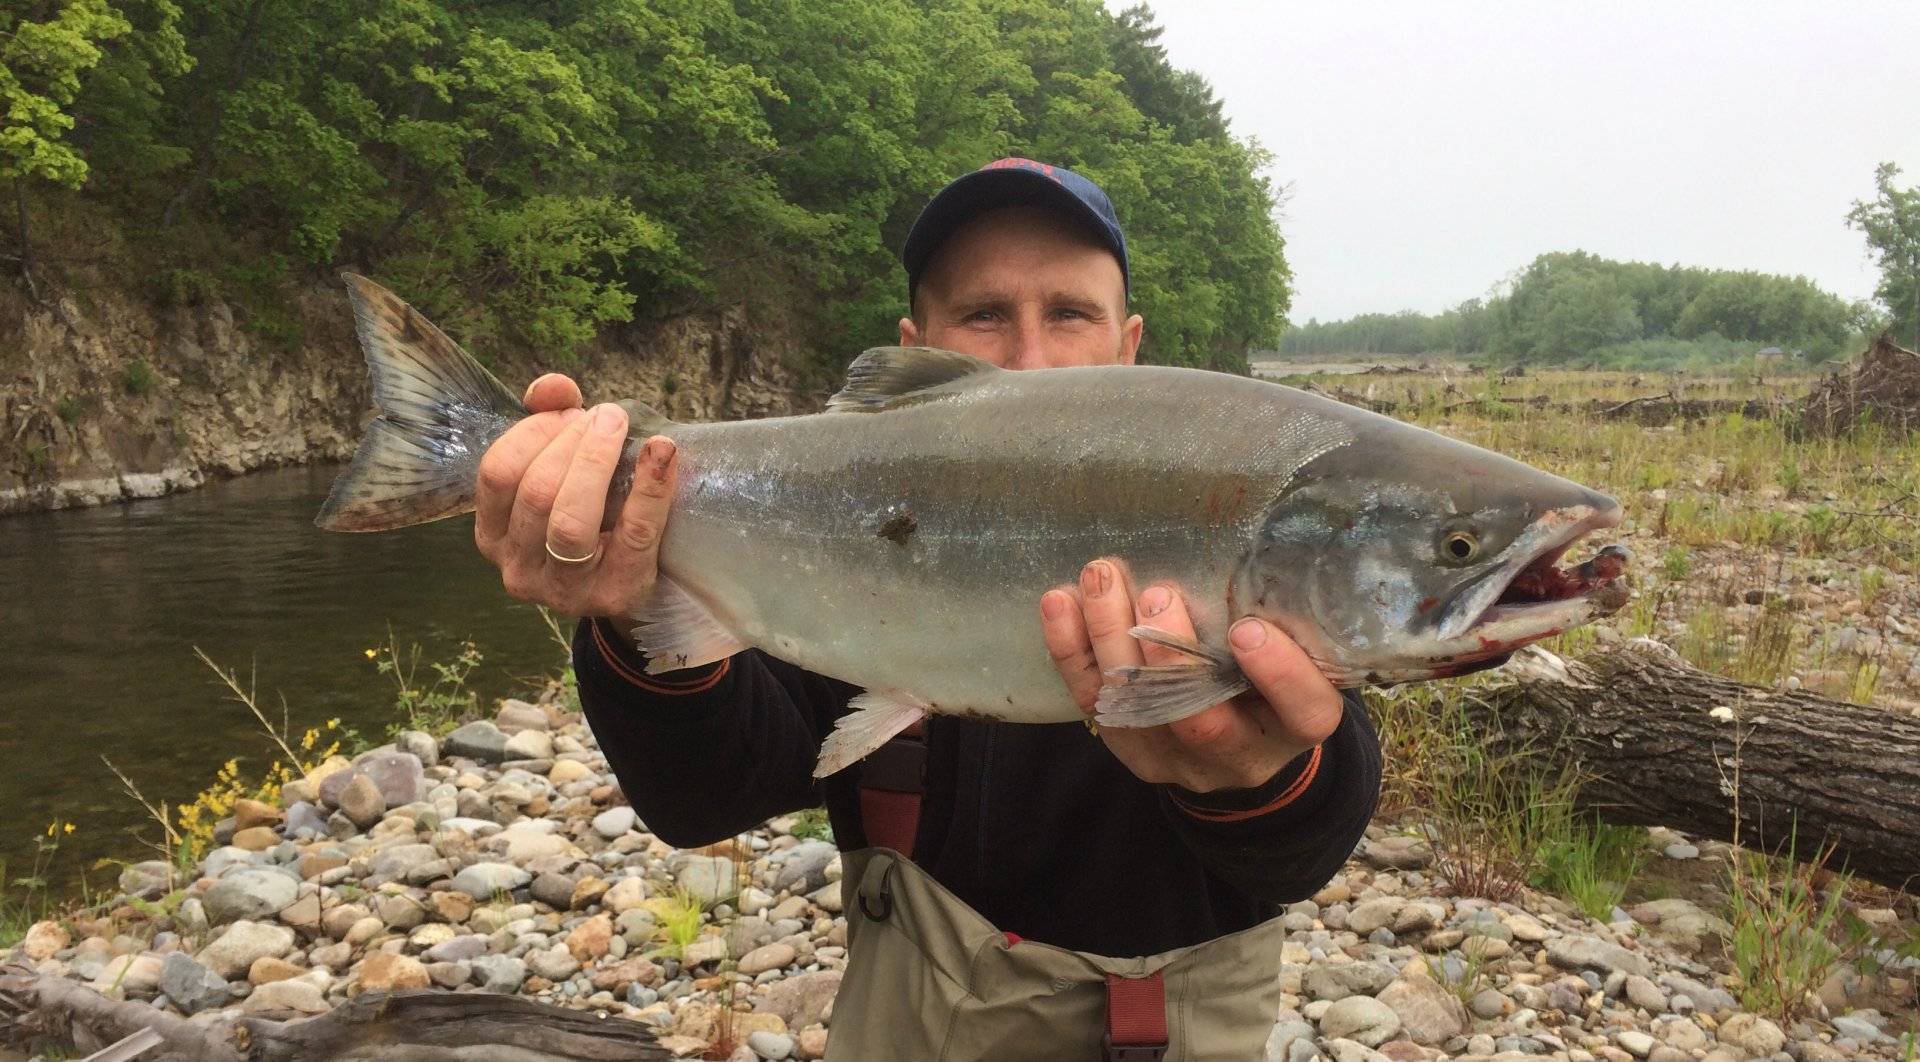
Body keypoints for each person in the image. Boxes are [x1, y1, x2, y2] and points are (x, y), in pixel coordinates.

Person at [473, 158, 1382, 1051]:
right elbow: (706, 797)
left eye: (1070, 314)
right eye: (983, 314)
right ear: (915, 352)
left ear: (1129, 345)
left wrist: (1258, 776)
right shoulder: (850, 521)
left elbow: (1305, 850)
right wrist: (629, 612)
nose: (1029, 359)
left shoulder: (1217, 511)